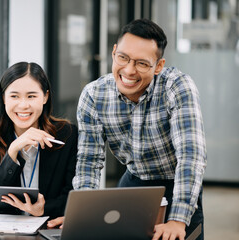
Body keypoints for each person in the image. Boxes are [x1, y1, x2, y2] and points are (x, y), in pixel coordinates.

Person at [71, 19, 207, 240]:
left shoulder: (177, 86)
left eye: (142, 63)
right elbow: (89, 161)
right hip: (134, 182)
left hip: (177, 184)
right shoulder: (94, 95)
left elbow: (191, 156)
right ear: (114, 52)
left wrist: (177, 220)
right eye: (123, 57)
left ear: (158, 66)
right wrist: (82, 216)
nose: (129, 70)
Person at [0, 62, 78, 219]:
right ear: (4, 98)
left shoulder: (67, 134)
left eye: (31, 96)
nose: (23, 105)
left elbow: (74, 195)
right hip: (6, 229)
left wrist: (44, 209)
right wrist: (12, 152)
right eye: (14, 96)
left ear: (45, 97)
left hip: (48, 225)